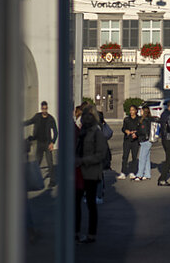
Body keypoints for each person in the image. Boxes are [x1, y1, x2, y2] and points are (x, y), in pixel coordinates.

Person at [75, 104, 108, 244]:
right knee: (76, 203)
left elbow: (101, 154)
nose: (86, 118)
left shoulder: (97, 132)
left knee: (90, 204)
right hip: (80, 172)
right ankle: (76, 232)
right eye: (84, 115)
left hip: (91, 172)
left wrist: (83, 160)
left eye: (89, 115)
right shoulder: (82, 132)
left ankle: (91, 234)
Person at [24, 101, 58, 188]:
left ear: (47, 108)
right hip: (39, 143)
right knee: (37, 162)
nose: (44, 110)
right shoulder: (37, 117)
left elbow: (55, 132)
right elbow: (30, 121)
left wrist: (52, 142)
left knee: (50, 163)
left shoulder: (50, 118)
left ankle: (52, 181)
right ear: (41, 108)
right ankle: (34, 181)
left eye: (45, 108)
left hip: (47, 143)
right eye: (43, 108)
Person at [120, 104, 140, 179]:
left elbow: (141, 129)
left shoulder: (139, 119)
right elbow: (123, 128)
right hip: (127, 140)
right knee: (125, 156)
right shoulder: (127, 119)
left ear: (136, 111)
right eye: (130, 110)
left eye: (133, 110)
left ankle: (133, 172)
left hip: (135, 140)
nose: (131, 111)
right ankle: (123, 172)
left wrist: (136, 133)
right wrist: (126, 131)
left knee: (134, 157)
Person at [134, 106, 154, 181]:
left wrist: (136, 133)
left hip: (144, 140)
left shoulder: (144, 120)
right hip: (150, 140)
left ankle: (139, 174)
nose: (140, 112)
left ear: (143, 111)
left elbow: (143, 131)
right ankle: (147, 174)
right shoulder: (150, 119)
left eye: (141, 110)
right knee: (147, 158)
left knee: (142, 158)